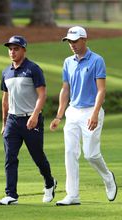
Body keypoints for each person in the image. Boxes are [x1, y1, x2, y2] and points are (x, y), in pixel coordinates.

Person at [49, 26, 117, 206]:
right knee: (70, 152)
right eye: (69, 42)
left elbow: (101, 90)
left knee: (91, 154)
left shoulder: (97, 60)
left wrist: (95, 113)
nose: (72, 45)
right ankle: (72, 195)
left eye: (75, 41)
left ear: (84, 40)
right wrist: (59, 115)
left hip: (90, 111)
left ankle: (108, 177)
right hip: (72, 112)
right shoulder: (67, 62)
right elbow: (65, 89)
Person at [0, 35, 56, 205]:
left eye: (16, 49)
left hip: (32, 120)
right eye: (10, 49)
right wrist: (4, 123)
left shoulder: (33, 69)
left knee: (38, 156)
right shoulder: (6, 72)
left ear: (24, 50)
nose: (12, 52)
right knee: (10, 158)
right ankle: (11, 195)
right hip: (12, 122)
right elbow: (5, 100)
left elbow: (42, 94)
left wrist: (35, 114)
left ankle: (49, 182)